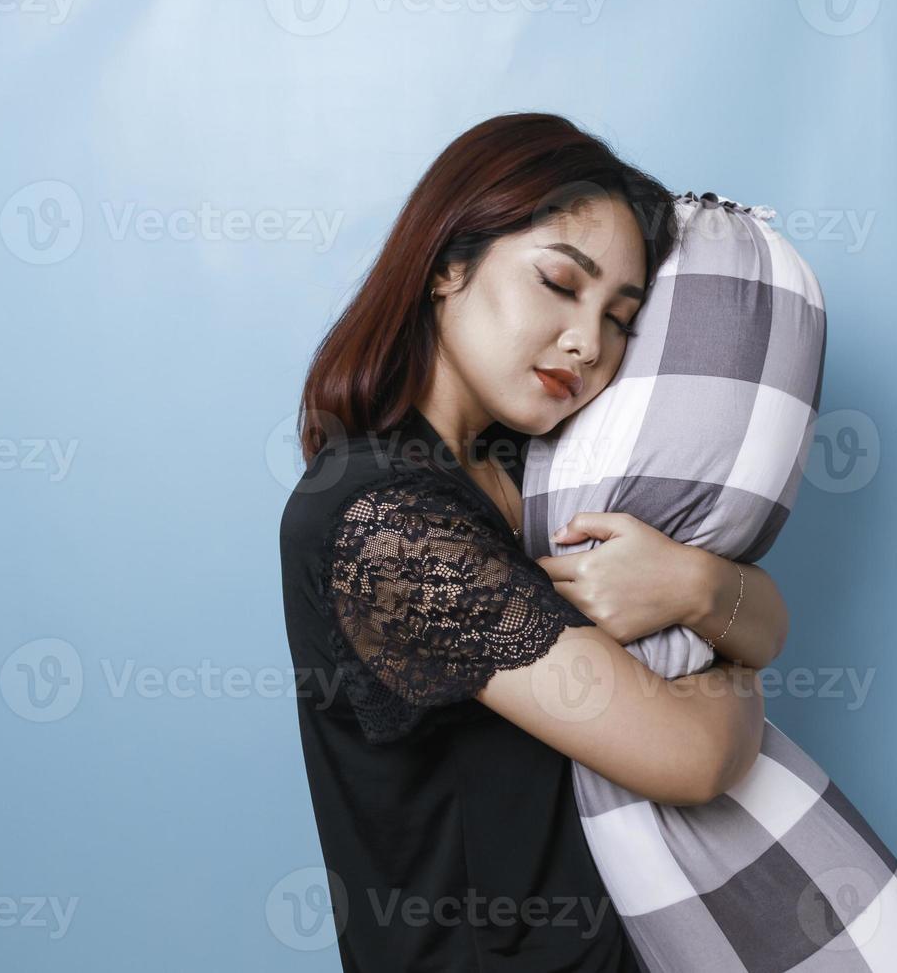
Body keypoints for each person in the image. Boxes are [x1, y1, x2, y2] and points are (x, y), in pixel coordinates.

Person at [278, 112, 790, 971]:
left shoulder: (551, 467)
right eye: (560, 283)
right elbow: (695, 757)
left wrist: (693, 586)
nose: (589, 343)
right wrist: (729, 671)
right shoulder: (378, 521)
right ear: (449, 264)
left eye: (620, 317)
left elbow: (769, 623)